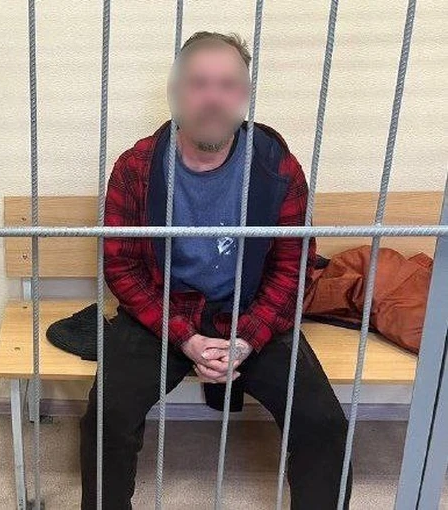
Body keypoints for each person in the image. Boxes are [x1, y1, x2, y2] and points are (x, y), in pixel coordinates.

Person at [79, 31, 351, 509]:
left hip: (251, 312)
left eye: (227, 85)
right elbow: (121, 266)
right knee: (106, 418)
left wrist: (246, 338)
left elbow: (294, 267)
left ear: (244, 95)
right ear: (176, 91)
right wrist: (184, 336)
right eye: (199, 83)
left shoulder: (277, 168)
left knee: (324, 425)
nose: (212, 98)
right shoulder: (137, 167)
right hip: (163, 313)